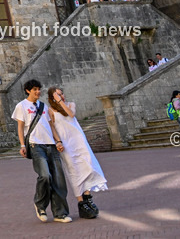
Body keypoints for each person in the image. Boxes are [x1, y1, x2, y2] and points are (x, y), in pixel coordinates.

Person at [12, 79, 71, 224]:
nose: (38, 92)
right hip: (35, 145)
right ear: (28, 91)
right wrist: (22, 145)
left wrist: (57, 141)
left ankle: (60, 213)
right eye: (35, 90)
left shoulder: (43, 106)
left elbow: (51, 126)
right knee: (45, 175)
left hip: (50, 144)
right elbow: (20, 127)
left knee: (58, 180)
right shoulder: (22, 106)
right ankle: (40, 205)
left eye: (39, 89)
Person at [47, 86, 108, 220]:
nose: (62, 96)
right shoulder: (50, 111)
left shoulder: (70, 104)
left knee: (89, 166)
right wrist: (58, 142)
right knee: (74, 171)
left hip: (79, 141)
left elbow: (71, 114)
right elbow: (52, 128)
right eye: (58, 95)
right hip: (66, 144)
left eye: (62, 94)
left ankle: (87, 196)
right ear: (52, 98)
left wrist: (61, 102)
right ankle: (81, 203)